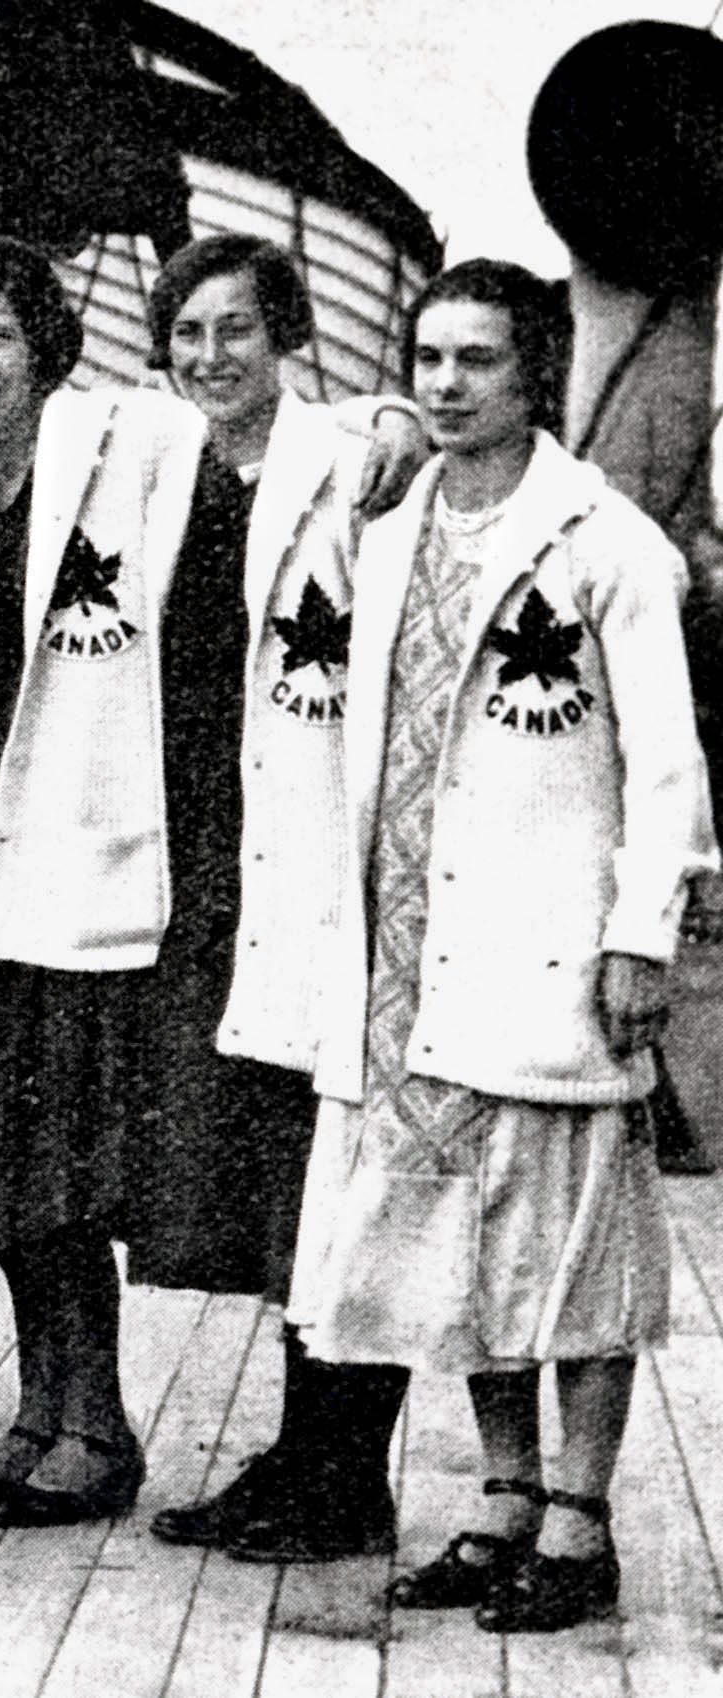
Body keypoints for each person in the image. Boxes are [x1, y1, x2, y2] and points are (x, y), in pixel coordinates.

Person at [0, 233, 422, 1528]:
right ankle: (55, 1412)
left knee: (232, 1148)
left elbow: (354, 430)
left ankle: (298, 1461)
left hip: (167, 855)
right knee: (23, 1155)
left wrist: (402, 411)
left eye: (1, 338)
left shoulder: (135, 447)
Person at [287, 260, 713, 1633]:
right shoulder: (393, 526)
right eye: (428, 355)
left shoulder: (605, 539)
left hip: (552, 945)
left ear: (535, 370)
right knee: (461, 1248)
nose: (445, 382)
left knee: (573, 1243)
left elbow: (665, 764)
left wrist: (641, 932)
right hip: (412, 943)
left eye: (476, 359)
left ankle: (583, 1524)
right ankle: (503, 1501)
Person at [129, 234, 408, 1564]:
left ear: (284, 333)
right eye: (187, 332)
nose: (209, 357)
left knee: (334, 1172)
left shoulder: (348, 460)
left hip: (314, 861)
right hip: (209, 872)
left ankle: (349, 1477)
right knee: (267, 1185)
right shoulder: (160, 464)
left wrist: (400, 412)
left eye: (234, 329)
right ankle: (303, 1454)